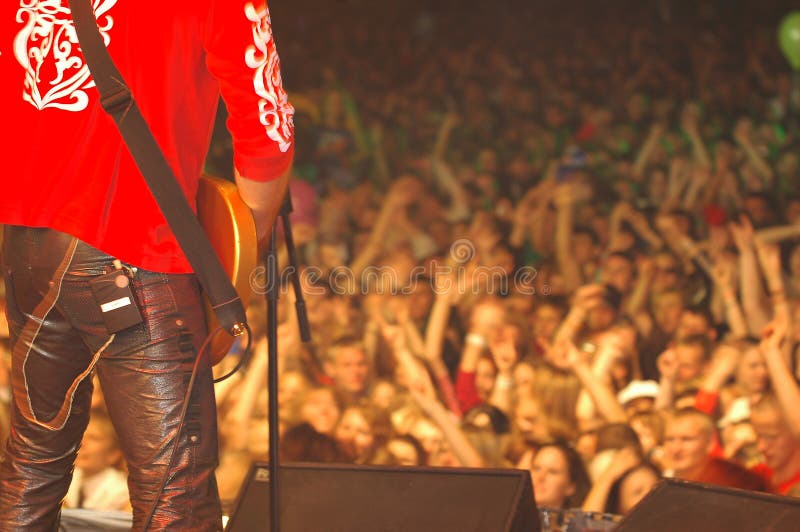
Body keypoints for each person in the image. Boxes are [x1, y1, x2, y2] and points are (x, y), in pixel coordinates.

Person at [0, 1, 294, 530]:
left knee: (32, 463)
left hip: (26, 246)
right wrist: (239, 250)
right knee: (175, 493)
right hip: (132, 253)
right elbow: (267, 131)